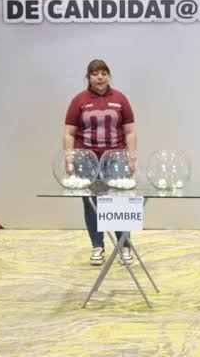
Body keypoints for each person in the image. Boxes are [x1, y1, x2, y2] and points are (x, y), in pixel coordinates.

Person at [64, 59, 137, 265]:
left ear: (109, 76)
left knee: (120, 201)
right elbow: (69, 133)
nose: (100, 77)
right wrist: (69, 159)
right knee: (92, 204)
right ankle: (98, 247)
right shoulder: (79, 101)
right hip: (86, 159)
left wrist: (131, 157)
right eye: (95, 73)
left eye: (104, 73)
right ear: (88, 77)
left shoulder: (120, 99)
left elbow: (130, 131)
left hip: (115, 158)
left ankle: (124, 246)